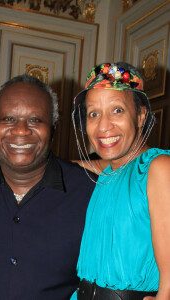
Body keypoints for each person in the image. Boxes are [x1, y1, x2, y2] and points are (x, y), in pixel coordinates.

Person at [0, 74, 97, 300]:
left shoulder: (90, 194)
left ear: (53, 128)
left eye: (35, 120)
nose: (21, 130)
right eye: (8, 119)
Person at [70, 62, 170, 300]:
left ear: (140, 115)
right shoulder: (109, 172)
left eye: (117, 110)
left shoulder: (159, 168)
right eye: (94, 113)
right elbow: (76, 165)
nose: (103, 126)